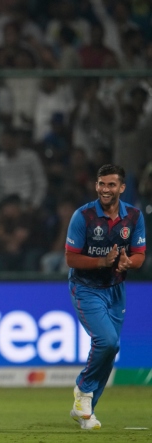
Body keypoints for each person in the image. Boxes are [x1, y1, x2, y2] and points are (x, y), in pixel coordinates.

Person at [64, 164, 146, 430]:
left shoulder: (133, 216)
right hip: (86, 287)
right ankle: (83, 390)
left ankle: (86, 411)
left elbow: (139, 255)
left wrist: (127, 264)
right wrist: (102, 262)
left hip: (116, 290)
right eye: (101, 184)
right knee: (107, 341)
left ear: (122, 187)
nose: (105, 189)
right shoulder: (83, 216)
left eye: (111, 185)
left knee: (111, 350)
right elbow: (70, 258)